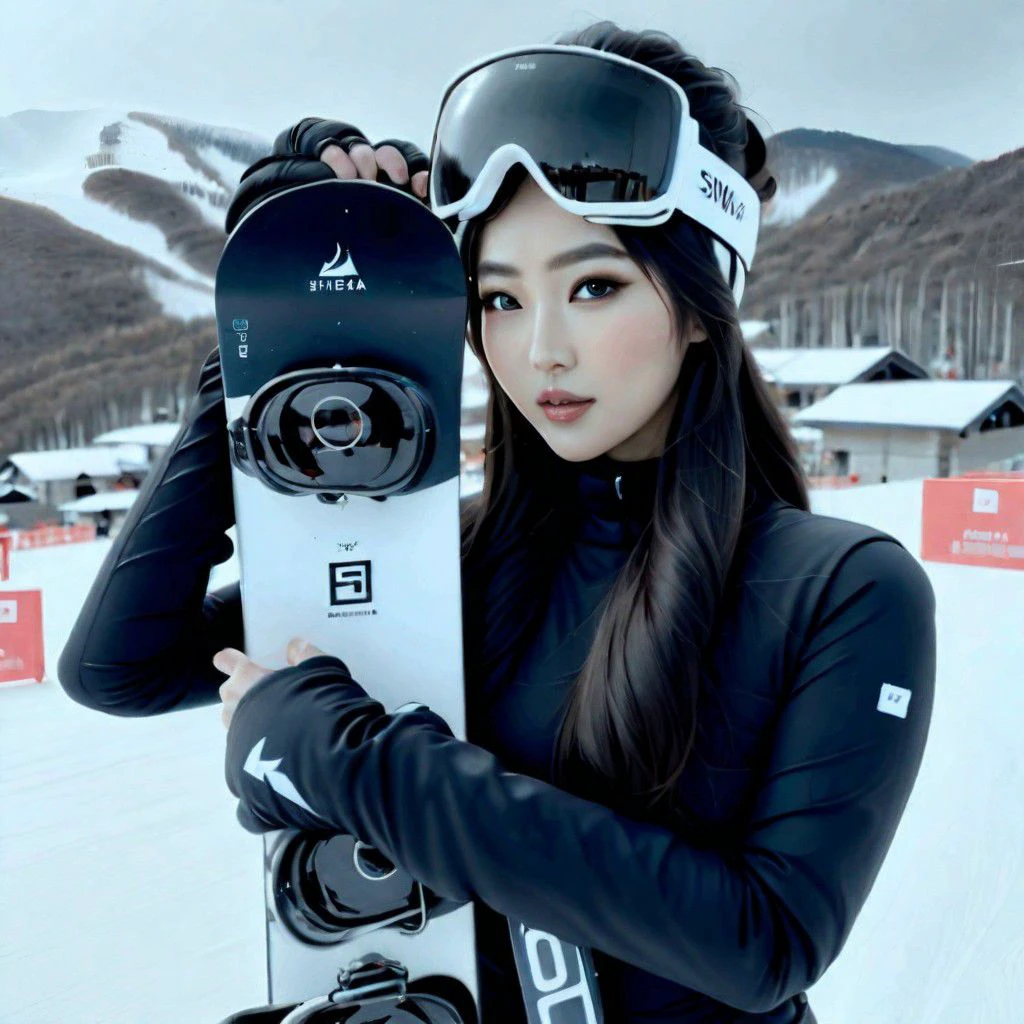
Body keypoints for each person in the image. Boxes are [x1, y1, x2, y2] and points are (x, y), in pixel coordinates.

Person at [57, 20, 936, 1024]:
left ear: (703, 304)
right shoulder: (454, 558)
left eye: (594, 286)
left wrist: (360, 765)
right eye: (499, 299)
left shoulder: (841, 590)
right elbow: (119, 667)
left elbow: (764, 938)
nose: (540, 350)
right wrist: (269, 347)